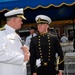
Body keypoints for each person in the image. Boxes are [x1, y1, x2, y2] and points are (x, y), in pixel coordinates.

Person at [0, 8, 30, 75]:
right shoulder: (1, 34)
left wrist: (26, 53)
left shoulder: (15, 34)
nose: (22, 22)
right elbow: (1, 55)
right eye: (20, 20)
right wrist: (22, 57)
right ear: (14, 20)